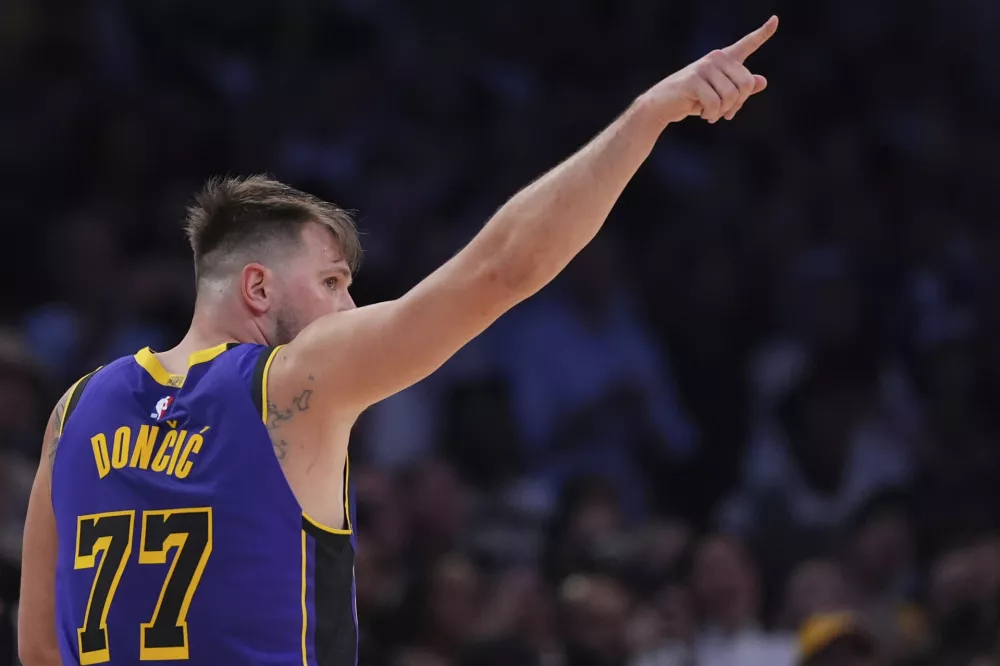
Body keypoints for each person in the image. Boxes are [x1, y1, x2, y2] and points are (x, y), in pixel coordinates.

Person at [17, 16, 779, 666]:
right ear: (258, 289)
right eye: (332, 281)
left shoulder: (73, 412)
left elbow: (41, 649)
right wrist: (646, 117)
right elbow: (501, 269)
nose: (350, 305)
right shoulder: (287, 383)